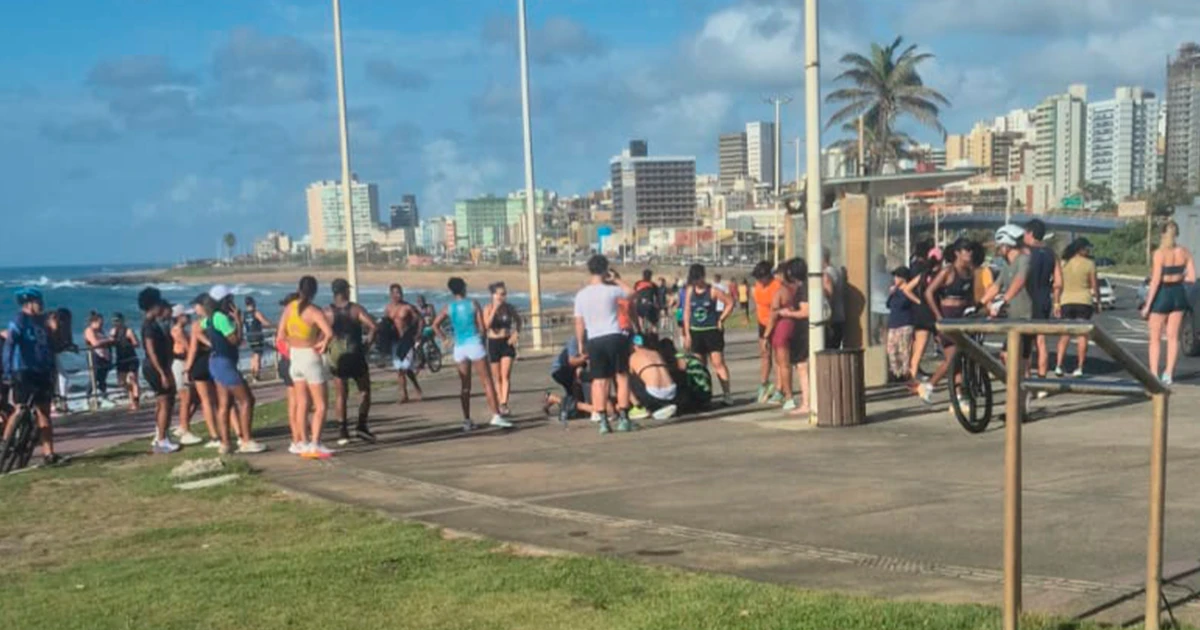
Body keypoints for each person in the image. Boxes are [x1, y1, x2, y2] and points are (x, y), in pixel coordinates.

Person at [432, 277, 511, 431]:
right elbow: (482, 327)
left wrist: (444, 339)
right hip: (474, 343)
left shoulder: (449, 307)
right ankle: (496, 415)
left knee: (465, 386)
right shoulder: (473, 304)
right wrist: (481, 340)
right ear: (463, 288)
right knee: (487, 382)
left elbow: (435, 325)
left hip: (459, 347)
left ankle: (467, 419)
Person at [201, 285, 266, 455]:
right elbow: (235, 341)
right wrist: (238, 320)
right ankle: (246, 440)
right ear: (225, 300)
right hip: (224, 362)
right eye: (230, 298)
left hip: (215, 361)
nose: (233, 301)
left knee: (225, 404)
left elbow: (199, 329)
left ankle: (225, 443)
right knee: (246, 400)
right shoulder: (221, 318)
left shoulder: (209, 318)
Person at [574, 255, 635, 433]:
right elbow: (631, 293)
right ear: (605, 269)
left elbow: (579, 322)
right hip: (615, 336)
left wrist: (580, 343)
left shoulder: (581, 295)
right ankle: (624, 418)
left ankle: (603, 421)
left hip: (595, 339)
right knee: (621, 377)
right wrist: (616, 279)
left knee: (600, 381)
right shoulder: (612, 291)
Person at [918, 238, 982, 406]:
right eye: (965, 250)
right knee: (952, 358)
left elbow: (971, 297)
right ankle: (929, 386)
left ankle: (958, 396)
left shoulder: (970, 272)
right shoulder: (948, 271)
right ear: (957, 253)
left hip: (962, 317)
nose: (969, 253)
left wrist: (974, 309)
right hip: (948, 315)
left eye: (970, 250)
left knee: (959, 358)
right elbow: (929, 292)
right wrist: (938, 315)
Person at [1, 288, 60, 466]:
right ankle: (6, 443)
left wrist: (54, 330)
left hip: (42, 370)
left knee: (44, 412)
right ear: (29, 303)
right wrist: (7, 370)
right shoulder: (19, 321)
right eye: (38, 302)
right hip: (23, 370)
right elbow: (9, 345)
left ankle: (49, 453)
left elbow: (51, 346)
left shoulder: (42, 321)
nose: (41, 305)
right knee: (20, 408)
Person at [279, 277, 333, 457]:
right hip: (310, 356)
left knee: (302, 403)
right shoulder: (314, 311)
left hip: (295, 357)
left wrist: (291, 343)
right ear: (314, 292)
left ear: (298, 288)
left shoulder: (289, 308)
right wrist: (323, 343)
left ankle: (301, 441)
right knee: (321, 405)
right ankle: (315, 443)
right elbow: (329, 332)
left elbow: (280, 335)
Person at [324, 279, 377, 445]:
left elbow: (321, 334)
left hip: (338, 358)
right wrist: (367, 344)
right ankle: (361, 425)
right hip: (356, 354)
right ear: (346, 291)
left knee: (341, 394)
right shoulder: (355, 309)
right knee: (364, 391)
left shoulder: (327, 312)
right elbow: (374, 326)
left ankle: (343, 431)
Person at [1142, 220, 1196, 385]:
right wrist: (1180, 277)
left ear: (1163, 234)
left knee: (1155, 338)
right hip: (1178, 293)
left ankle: (1153, 373)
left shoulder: (1159, 253)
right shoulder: (1184, 252)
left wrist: (1147, 305)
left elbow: (1156, 280)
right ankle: (1168, 373)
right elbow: (1192, 278)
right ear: (1177, 234)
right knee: (1173, 337)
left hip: (1162, 293)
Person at [980, 225, 1034, 388]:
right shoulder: (1007, 265)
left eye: (1000, 246)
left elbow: (1020, 281)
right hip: (1013, 319)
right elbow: (996, 286)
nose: (998, 250)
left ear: (1007, 244)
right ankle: (1018, 395)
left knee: (1018, 359)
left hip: (1025, 318)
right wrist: (979, 304)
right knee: (1008, 357)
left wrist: (1004, 300)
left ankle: (1021, 399)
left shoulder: (1023, 260)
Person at [682, 264, 734, 405]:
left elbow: (730, 303)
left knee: (718, 363)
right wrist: (687, 334)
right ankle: (704, 395)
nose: (696, 282)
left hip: (711, 331)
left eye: (697, 279)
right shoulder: (689, 291)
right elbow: (687, 312)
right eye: (693, 279)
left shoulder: (713, 291)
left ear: (703, 277)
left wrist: (721, 319)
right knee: (700, 366)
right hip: (696, 331)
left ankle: (727, 394)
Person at [766, 258, 811, 414]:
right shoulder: (798, 288)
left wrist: (788, 313)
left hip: (796, 330)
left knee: (797, 366)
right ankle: (802, 399)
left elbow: (806, 311)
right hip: (799, 330)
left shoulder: (797, 289)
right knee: (797, 365)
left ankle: (801, 401)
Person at [138, 288, 180, 454]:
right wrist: (162, 372)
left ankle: (161, 435)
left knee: (164, 401)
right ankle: (162, 439)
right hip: (155, 366)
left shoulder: (152, 324)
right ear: (153, 306)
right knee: (165, 401)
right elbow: (151, 350)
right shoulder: (149, 326)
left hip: (157, 365)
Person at [1022, 219, 1062, 384]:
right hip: (1044, 299)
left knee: (1026, 344)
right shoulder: (1051, 254)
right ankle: (1042, 380)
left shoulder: (1025, 253)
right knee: (1041, 341)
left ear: (1030, 233)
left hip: (1027, 300)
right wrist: (1057, 303)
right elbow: (1058, 282)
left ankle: (1027, 377)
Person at [1055, 238, 1100, 377]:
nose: (1088, 251)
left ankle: (1058, 365)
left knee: (1065, 335)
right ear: (1081, 249)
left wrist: (1056, 302)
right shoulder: (1089, 264)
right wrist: (1097, 301)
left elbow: (1058, 285)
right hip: (1084, 301)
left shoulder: (1063, 263)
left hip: (1066, 300)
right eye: (1087, 249)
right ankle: (1079, 367)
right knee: (1082, 336)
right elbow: (1094, 285)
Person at [183, 300, 220, 449]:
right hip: (215, 359)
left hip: (200, 363)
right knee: (219, 399)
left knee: (206, 401)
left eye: (195, 308)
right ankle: (231, 431)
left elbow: (192, 349)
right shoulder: (216, 321)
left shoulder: (197, 326)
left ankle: (214, 434)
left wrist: (187, 368)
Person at [904, 241, 940, 383]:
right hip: (928, 311)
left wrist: (917, 301)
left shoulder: (917, 269)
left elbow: (907, 288)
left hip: (919, 310)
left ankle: (913, 369)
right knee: (922, 343)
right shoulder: (932, 273)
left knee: (919, 342)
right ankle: (913, 373)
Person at [483, 282, 520, 416]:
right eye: (500, 294)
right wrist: (494, 309)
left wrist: (516, 333)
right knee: (496, 376)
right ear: (493, 295)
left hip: (506, 342)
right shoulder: (488, 308)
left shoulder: (509, 308)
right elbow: (486, 325)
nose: (503, 297)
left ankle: (504, 403)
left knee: (505, 375)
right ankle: (499, 401)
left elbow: (518, 320)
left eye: (504, 294)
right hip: (493, 343)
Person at [168, 305, 202, 445]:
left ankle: (183, 424)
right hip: (181, 364)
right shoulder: (177, 331)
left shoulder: (182, 330)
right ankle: (185, 430)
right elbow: (189, 348)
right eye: (185, 316)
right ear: (179, 317)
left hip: (185, 363)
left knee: (195, 398)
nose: (188, 318)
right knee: (186, 398)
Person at [384, 284, 424, 403]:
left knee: (405, 367)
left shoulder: (408, 307)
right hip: (395, 341)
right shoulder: (388, 308)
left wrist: (418, 334)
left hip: (407, 340)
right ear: (391, 294)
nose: (398, 295)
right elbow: (386, 324)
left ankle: (416, 387)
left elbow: (420, 320)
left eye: (400, 292)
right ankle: (404, 395)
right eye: (395, 293)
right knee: (399, 369)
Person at [628, 333, 678, 421]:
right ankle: (663, 405)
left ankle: (638, 407)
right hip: (672, 392)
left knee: (625, 379)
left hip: (653, 394)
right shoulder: (656, 353)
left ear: (633, 345)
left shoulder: (633, 357)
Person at [750, 261, 780, 403]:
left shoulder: (776, 286)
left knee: (778, 357)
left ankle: (781, 388)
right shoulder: (757, 286)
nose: (759, 281)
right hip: (762, 322)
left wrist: (768, 333)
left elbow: (775, 311)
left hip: (775, 323)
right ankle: (764, 383)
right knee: (764, 354)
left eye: (761, 278)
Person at [886, 267, 917, 382]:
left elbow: (903, 303)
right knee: (892, 350)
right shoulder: (895, 291)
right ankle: (895, 372)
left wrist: (901, 292)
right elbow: (888, 305)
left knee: (904, 350)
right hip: (893, 324)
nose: (895, 279)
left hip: (905, 324)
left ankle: (905, 374)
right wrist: (892, 293)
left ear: (903, 278)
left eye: (897, 277)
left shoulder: (908, 291)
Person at [110, 312, 140, 410]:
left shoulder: (128, 331)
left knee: (133, 380)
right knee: (122, 382)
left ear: (122, 321)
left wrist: (129, 344)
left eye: (118, 321)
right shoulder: (113, 332)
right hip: (120, 359)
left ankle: (135, 401)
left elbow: (136, 343)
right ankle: (132, 397)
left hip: (130, 358)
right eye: (114, 321)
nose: (116, 323)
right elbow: (110, 343)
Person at [47, 308, 74, 414]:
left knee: (60, 377)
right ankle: (57, 403)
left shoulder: (61, 328)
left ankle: (59, 402)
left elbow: (61, 345)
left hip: (52, 355)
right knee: (58, 378)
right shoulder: (50, 329)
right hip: (47, 356)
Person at [242, 296, 272, 382]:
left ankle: (253, 375)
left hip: (249, 337)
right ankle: (256, 376)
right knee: (258, 356)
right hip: (257, 336)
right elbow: (265, 322)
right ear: (253, 303)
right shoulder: (256, 313)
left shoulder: (244, 314)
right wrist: (274, 326)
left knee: (253, 355)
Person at [84, 311, 113, 399]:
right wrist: (108, 340)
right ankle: (88, 397)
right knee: (94, 377)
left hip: (104, 356)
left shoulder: (100, 331)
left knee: (102, 378)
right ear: (94, 322)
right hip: (94, 356)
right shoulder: (89, 330)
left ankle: (104, 397)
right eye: (100, 323)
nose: (101, 325)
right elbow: (95, 343)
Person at [823, 249, 847, 350]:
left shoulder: (828, 274)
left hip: (832, 320)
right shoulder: (836, 271)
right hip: (838, 318)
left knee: (829, 351)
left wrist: (827, 317)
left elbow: (829, 295)